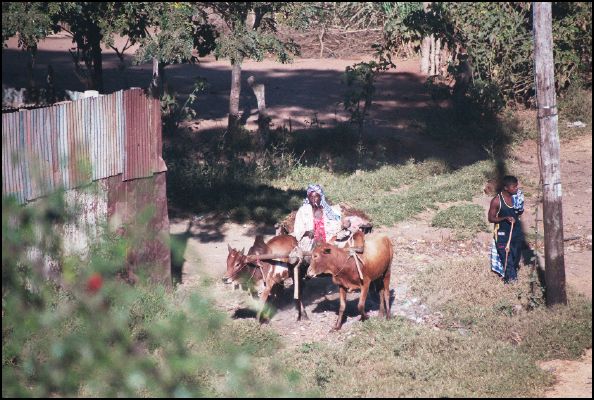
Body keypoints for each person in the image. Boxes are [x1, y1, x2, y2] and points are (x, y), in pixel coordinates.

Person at [488, 175, 525, 283]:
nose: (516, 189)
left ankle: (510, 276)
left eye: (516, 186)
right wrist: (505, 218)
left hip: (516, 232)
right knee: (507, 258)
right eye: (514, 187)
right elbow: (491, 218)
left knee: (515, 257)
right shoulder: (496, 201)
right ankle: (512, 281)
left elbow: (520, 211)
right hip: (502, 235)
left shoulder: (517, 198)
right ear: (506, 188)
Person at [294, 184, 349, 252]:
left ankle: (327, 253)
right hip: (310, 244)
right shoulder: (303, 211)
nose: (313, 199)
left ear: (321, 197)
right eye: (311, 197)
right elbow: (298, 230)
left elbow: (339, 225)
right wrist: (307, 233)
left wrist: (344, 225)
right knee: (315, 255)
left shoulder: (331, 211)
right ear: (308, 198)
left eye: (316, 196)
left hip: (328, 242)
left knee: (330, 253)